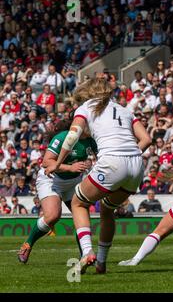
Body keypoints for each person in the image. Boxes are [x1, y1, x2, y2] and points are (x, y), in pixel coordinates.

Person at [44, 78, 152, 274]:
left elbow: (72, 135)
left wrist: (58, 164)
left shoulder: (86, 107)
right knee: (107, 210)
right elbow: (147, 139)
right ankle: (101, 262)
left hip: (112, 161)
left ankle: (87, 252)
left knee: (78, 203)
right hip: (136, 165)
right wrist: (129, 154)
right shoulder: (124, 109)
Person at [17, 118, 97, 264]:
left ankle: (85, 255)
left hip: (73, 182)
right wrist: (70, 167)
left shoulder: (92, 140)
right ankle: (28, 244)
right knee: (53, 216)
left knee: (83, 218)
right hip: (52, 179)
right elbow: (46, 162)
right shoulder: (62, 137)